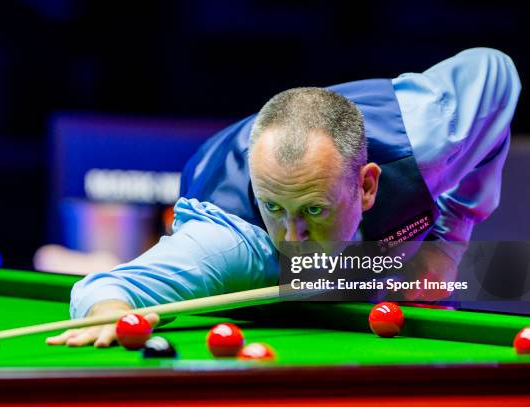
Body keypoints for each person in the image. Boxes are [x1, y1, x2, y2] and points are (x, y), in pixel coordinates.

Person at [47, 48, 521, 347]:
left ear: (368, 185)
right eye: (276, 208)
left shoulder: (430, 135)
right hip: (226, 197)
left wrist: (448, 242)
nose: (292, 237)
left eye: (313, 210)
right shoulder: (232, 244)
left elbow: (496, 73)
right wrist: (111, 314)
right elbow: (105, 289)